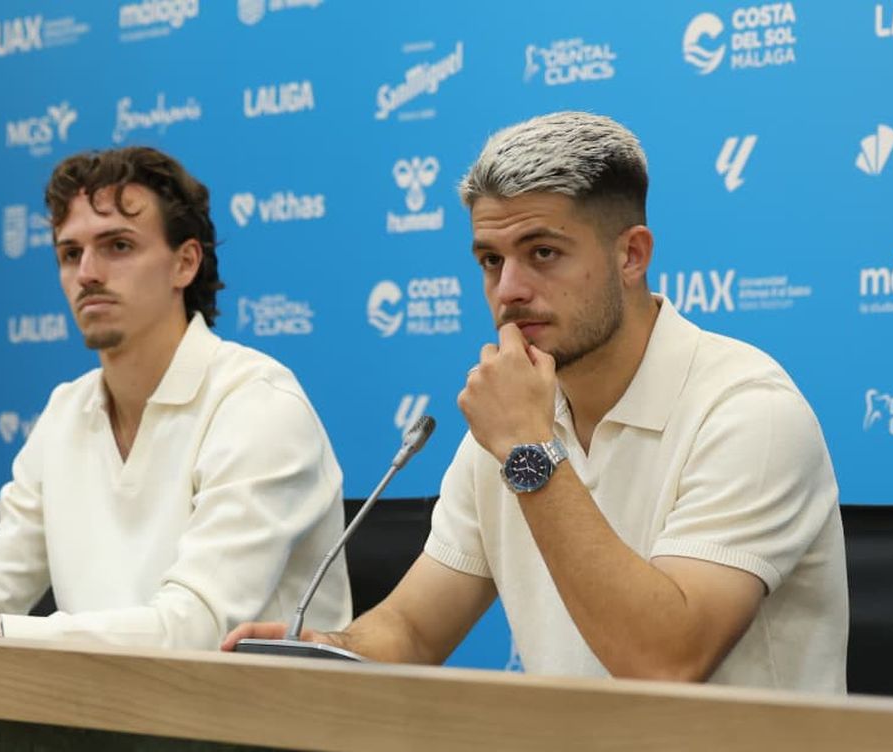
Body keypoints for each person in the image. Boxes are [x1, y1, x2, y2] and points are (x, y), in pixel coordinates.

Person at [225, 111, 848, 692]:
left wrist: (528, 449)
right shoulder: (511, 422)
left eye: (542, 253)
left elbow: (664, 662)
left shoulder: (747, 411)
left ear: (631, 255)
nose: (510, 291)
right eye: (491, 260)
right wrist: (322, 646)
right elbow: (412, 631)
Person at [0, 146, 350, 647]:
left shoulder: (257, 405)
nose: (87, 273)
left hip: (251, 720)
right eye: (71, 254)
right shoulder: (66, 412)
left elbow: (194, 629)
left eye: (117, 246)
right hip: (99, 712)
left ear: (185, 262)